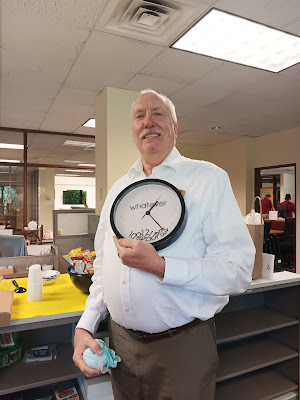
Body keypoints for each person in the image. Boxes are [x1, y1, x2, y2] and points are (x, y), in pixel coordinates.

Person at [73, 89, 255, 400]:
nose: (148, 122)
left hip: (183, 347)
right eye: (139, 116)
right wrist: (86, 325)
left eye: (158, 113)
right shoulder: (119, 188)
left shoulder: (209, 179)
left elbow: (238, 271)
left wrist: (160, 266)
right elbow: (104, 267)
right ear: (132, 131)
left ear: (174, 127)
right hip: (120, 346)